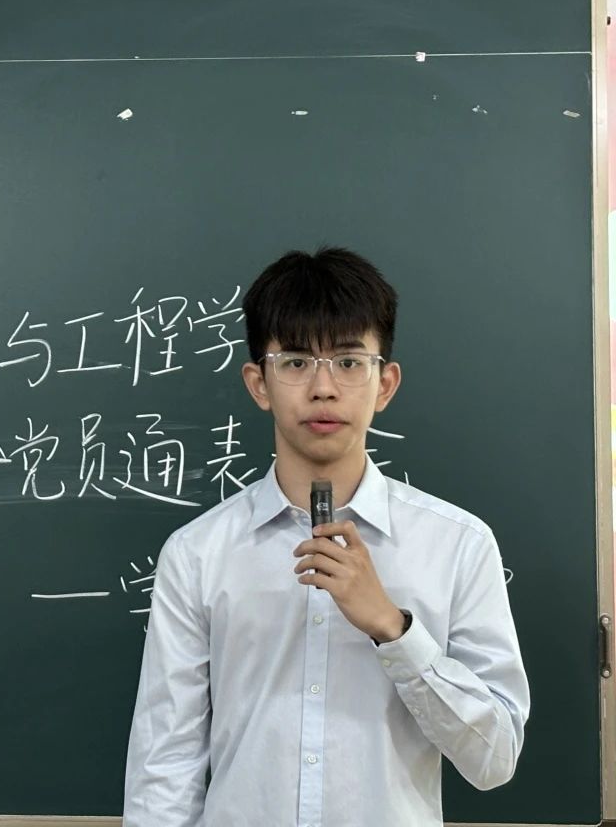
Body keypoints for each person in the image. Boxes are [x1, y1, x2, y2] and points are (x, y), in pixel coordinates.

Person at [123, 247, 529, 827]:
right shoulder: (198, 554)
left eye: (348, 362)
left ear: (384, 383)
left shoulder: (458, 545)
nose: (323, 388)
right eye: (294, 362)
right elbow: (165, 764)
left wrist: (393, 629)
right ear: (258, 383)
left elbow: (495, 758)